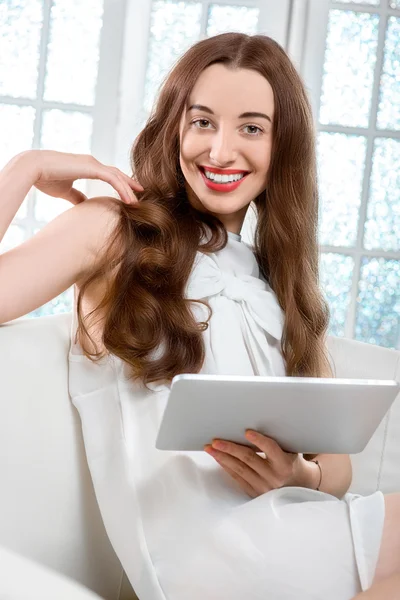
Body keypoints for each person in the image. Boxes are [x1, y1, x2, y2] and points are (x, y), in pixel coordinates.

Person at [0, 32, 399, 600]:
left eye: (251, 128)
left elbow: (335, 469)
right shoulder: (118, 230)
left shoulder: (275, 279)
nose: (220, 151)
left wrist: (295, 475)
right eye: (203, 121)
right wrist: (24, 167)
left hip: (288, 529)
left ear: (281, 146)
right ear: (175, 127)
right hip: (205, 560)